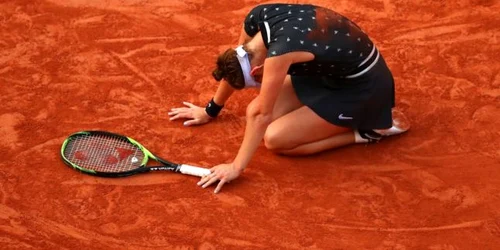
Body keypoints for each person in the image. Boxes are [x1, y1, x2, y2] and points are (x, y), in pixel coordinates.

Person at [168, 3, 410, 193]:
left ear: (256, 71)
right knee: (260, 112)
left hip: (361, 88)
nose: (261, 83)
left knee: (276, 139)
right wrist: (211, 109)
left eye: (257, 81)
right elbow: (233, 67)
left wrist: (235, 167)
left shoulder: (280, 56)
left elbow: (260, 115)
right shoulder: (256, 19)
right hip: (325, 72)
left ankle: (369, 132)